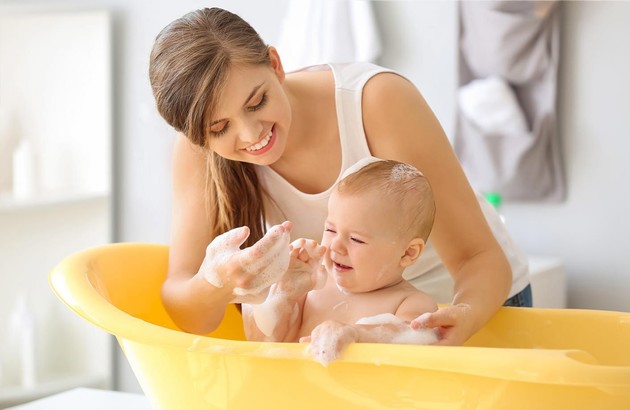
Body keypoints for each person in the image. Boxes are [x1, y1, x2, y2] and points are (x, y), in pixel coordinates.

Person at [149, 7, 532, 345]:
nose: (251, 135)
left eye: (257, 102)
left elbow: (478, 258)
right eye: (219, 128)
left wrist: (456, 318)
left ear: (275, 64)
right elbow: (190, 313)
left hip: (471, 309)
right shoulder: (197, 154)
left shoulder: (375, 102)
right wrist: (217, 282)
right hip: (359, 332)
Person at [242, 158, 440, 366]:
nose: (336, 246)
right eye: (330, 230)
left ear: (407, 253)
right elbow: (263, 345)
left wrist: (357, 334)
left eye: (356, 239)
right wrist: (284, 292)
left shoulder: (410, 302)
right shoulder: (311, 290)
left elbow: (414, 338)